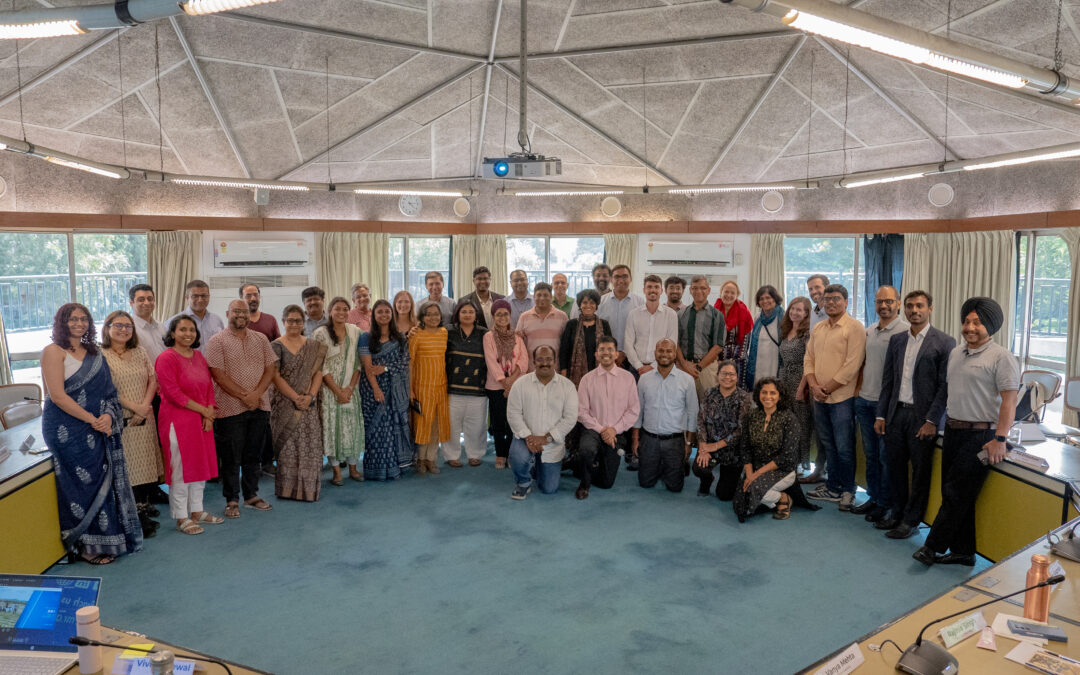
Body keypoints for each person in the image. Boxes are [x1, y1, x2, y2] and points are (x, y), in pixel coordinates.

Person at [913, 297, 1018, 567]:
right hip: (953, 431)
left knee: (955, 493)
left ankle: (931, 547)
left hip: (981, 437)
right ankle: (963, 551)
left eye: (978, 323)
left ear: (990, 326)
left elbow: (1009, 401)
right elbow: (948, 391)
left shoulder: (1002, 358)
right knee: (961, 495)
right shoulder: (956, 353)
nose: (970, 327)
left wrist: (1000, 440)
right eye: (967, 321)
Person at [42, 303, 142, 563]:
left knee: (101, 479)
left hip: (98, 424)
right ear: (61, 322)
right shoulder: (54, 352)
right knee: (79, 485)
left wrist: (108, 416)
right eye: (73, 319)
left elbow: (108, 392)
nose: (79, 323)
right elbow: (58, 396)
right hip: (66, 429)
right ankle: (86, 545)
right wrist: (92, 420)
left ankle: (107, 539)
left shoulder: (94, 353)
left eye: (83, 319)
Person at [874, 291, 954, 539]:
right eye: (909, 306)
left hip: (923, 420)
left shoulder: (944, 342)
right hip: (896, 414)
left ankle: (911, 520)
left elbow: (945, 386)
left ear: (930, 308)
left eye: (919, 306)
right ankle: (896, 513)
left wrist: (932, 420)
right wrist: (880, 415)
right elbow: (888, 381)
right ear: (904, 309)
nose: (914, 310)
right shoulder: (897, 340)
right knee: (895, 468)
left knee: (920, 473)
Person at [205, 299, 278, 518]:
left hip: (259, 405)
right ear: (228, 313)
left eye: (245, 312)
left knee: (253, 454)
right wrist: (244, 396)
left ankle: (251, 495)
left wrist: (256, 395)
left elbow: (270, 368)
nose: (241, 315)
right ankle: (232, 499)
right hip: (229, 408)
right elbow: (217, 374)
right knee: (231, 457)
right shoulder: (216, 341)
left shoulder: (261, 338)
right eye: (236, 311)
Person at [156, 315, 221, 536]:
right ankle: (181, 516)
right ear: (173, 333)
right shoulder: (166, 358)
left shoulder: (199, 356)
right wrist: (203, 410)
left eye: (191, 330)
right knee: (181, 469)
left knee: (200, 466)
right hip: (178, 420)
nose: (188, 334)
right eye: (182, 329)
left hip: (202, 419)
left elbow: (208, 386)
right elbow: (173, 393)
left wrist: (209, 411)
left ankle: (197, 510)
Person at [804, 284, 866, 512]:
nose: (830, 303)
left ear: (846, 301)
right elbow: (808, 358)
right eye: (827, 299)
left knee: (844, 447)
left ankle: (848, 489)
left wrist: (826, 389)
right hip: (819, 397)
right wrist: (813, 385)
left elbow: (852, 366)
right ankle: (832, 487)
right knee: (828, 444)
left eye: (836, 299)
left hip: (842, 399)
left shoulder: (854, 328)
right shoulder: (819, 328)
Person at [101, 310, 164, 533]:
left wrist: (144, 407)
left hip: (145, 417)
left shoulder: (139, 351)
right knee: (128, 468)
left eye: (128, 326)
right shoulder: (101, 355)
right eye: (117, 325)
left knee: (146, 464)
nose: (123, 329)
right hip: (121, 419)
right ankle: (133, 516)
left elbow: (153, 379)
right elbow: (105, 389)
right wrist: (135, 408)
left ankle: (143, 505)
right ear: (107, 328)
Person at [851, 286, 908, 521]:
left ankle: (886, 503)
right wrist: (857, 393)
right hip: (865, 401)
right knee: (871, 455)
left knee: (886, 458)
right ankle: (873, 498)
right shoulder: (870, 331)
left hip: (886, 409)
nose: (883, 306)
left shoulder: (905, 332)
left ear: (898, 303)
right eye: (879, 301)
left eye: (888, 301)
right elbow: (864, 364)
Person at [506, 345, 579, 499]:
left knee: (549, 489)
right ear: (533, 362)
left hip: (552, 441)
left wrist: (546, 438)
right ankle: (523, 482)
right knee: (518, 455)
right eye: (540, 359)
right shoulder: (520, 384)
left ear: (555, 361)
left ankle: (537, 466)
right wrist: (528, 437)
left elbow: (570, 418)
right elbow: (513, 414)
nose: (544, 363)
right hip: (525, 439)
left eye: (548, 359)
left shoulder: (568, 386)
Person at [270, 304, 327, 501]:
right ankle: (288, 490)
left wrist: (310, 396)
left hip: (308, 404)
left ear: (303, 323)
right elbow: (274, 376)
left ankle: (309, 490)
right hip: (285, 404)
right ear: (283, 322)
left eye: (298, 321)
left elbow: (319, 373)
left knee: (310, 445)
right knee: (288, 447)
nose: (294, 324)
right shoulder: (275, 345)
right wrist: (295, 397)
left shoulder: (313, 346)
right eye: (290, 320)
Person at [574, 336, 639, 499]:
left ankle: (578, 465)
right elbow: (581, 412)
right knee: (587, 450)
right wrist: (603, 430)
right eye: (602, 349)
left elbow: (633, 410)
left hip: (617, 432)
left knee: (606, 483)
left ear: (617, 354)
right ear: (596, 354)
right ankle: (584, 482)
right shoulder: (587, 379)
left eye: (610, 349)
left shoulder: (628, 378)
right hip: (593, 430)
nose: (606, 353)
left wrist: (613, 430)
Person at [633, 339, 698, 493]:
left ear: (675, 354)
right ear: (655, 353)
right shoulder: (644, 379)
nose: (664, 354)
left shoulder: (687, 380)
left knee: (675, 487)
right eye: (661, 350)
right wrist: (635, 440)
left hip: (674, 441)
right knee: (645, 483)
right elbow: (638, 411)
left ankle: (673, 465)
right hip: (649, 440)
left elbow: (692, 413)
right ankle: (658, 465)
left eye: (669, 351)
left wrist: (688, 444)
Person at [312, 297, 365, 486]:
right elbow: (320, 366)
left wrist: (349, 389)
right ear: (330, 311)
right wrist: (336, 391)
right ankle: (336, 471)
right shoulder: (320, 334)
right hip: (329, 392)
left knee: (352, 428)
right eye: (337, 309)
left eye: (345, 309)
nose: (341, 313)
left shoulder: (356, 331)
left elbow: (360, 362)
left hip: (351, 389)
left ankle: (353, 468)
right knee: (332, 430)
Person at [358, 299, 413, 481]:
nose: (383, 315)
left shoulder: (401, 338)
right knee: (374, 430)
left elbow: (404, 363)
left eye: (387, 312)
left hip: (395, 389)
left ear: (392, 314)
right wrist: (376, 389)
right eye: (379, 312)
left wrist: (385, 367)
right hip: (372, 389)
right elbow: (368, 367)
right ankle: (375, 469)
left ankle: (394, 467)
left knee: (392, 428)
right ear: (373, 315)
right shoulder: (366, 338)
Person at [733, 378, 800, 523]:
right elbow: (745, 447)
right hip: (756, 466)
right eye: (764, 392)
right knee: (741, 500)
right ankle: (775, 495)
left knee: (753, 489)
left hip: (782, 469)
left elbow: (786, 456)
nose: (767, 397)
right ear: (758, 394)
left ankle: (784, 498)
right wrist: (749, 473)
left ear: (780, 396)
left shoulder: (789, 419)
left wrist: (755, 475)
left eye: (772, 393)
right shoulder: (751, 416)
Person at [693, 360, 751, 500]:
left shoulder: (744, 398)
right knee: (699, 468)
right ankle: (707, 481)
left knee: (724, 495)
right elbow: (701, 421)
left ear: (737, 377)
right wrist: (703, 447)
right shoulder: (708, 394)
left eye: (731, 374)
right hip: (710, 446)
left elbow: (740, 430)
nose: (727, 377)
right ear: (717, 375)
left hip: (732, 451)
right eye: (724, 373)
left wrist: (715, 446)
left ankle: (736, 480)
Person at [241, 283, 280, 478]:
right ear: (242, 298)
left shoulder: (270, 320)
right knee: (248, 425)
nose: (252, 298)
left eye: (255, 295)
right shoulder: (239, 322)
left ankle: (267, 462)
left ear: (259, 297)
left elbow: (278, 347)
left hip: (267, 380)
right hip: (243, 382)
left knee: (266, 424)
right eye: (248, 296)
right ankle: (251, 465)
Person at [484, 299, 528, 470]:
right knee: (498, 422)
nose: (502, 317)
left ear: (510, 316)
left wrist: (512, 380)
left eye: (505, 314)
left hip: (516, 386)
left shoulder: (517, 337)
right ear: (493, 316)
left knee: (513, 422)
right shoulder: (488, 337)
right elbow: (491, 361)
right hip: (495, 387)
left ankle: (510, 453)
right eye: (498, 314)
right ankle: (500, 454)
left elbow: (523, 360)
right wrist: (504, 381)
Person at [444, 302, 488, 467]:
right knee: (452, 424)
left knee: (476, 425)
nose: (468, 315)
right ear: (457, 313)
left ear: (476, 315)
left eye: (471, 312)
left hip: (478, 387)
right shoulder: (448, 331)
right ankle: (452, 455)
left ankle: (475, 454)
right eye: (464, 312)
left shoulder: (485, 333)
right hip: (453, 387)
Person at [411, 301, 452, 475]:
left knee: (437, 424)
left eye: (436, 314)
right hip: (422, 387)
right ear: (422, 317)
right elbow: (410, 363)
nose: (433, 317)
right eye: (429, 314)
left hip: (441, 386)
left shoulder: (444, 333)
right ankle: (420, 460)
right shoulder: (416, 334)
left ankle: (431, 459)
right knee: (423, 424)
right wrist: (410, 389)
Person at [777, 297, 813, 471]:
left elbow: (809, 362)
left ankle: (801, 462)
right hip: (783, 380)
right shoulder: (785, 330)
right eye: (792, 309)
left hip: (800, 381)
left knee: (801, 424)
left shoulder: (806, 334)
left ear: (806, 313)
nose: (794, 312)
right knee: (786, 423)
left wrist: (801, 387)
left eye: (799, 310)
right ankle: (788, 459)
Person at [676, 275, 726, 399]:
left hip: (707, 370)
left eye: (703, 288)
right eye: (695, 288)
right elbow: (675, 342)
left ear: (708, 290)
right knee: (682, 407)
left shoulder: (717, 315)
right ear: (690, 291)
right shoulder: (680, 314)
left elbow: (718, 346)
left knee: (708, 409)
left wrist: (698, 367)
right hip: (683, 368)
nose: (699, 291)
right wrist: (684, 364)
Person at [625, 274, 678, 377]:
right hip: (636, 369)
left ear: (661, 291)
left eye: (656, 287)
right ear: (644, 290)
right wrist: (639, 366)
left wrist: (653, 366)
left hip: (661, 368)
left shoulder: (671, 315)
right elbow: (628, 344)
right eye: (649, 287)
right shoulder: (633, 314)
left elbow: (672, 344)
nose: (653, 290)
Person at [558, 289, 612, 386]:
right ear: (580, 305)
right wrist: (563, 371)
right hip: (574, 373)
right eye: (585, 302)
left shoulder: (604, 325)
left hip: (599, 371)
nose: (588, 305)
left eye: (592, 302)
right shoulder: (571, 324)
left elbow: (610, 349)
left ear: (596, 306)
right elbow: (564, 350)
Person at [597, 265, 644, 371]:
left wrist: (625, 353)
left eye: (625, 276)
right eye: (617, 277)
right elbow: (598, 331)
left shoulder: (640, 303)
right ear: (611, 279)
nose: (621, 280)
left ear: (631, 279)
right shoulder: (600, 302)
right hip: (606, 356)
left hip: (633, 358)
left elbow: (642, 332)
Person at [516, 281, 568, 371]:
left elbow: (566, 344)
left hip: (555, 369)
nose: (542, 298)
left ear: (551, 297)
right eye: (539, 295)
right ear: (533, 297)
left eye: (545, 295)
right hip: (531, 369)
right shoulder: (524, 317)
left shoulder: (562, 316)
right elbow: (518, 343)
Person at [743, 285, 783, 387]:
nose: (765, 301)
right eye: (761, 299)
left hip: (774, 362)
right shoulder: (757, 317)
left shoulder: (783, 317)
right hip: (758, 363)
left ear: (775, 299)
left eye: (768, 297)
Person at [168, 280, 224, 352]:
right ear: (187, 298)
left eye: (204, 296)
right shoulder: (174, 322)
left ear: (209, 297)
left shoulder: (217, 320)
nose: (200, 300)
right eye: (195, 296)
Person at [714, 281, 755, 374]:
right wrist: (715, 359)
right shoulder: (714, 311)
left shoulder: (744, 312)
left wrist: (730, 363)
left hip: (738, 363)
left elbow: (744, 345)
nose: (729, 295)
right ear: (721, 293)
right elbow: (710, 338)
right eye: (726, 292)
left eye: (732, 293)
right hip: (716, 362)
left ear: (737, 295)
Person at [128, 283, 166, 364]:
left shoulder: (162, 326)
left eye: (150, 299)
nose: (147, 303)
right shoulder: (129, 330)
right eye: (141, 299)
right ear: (131, 303)